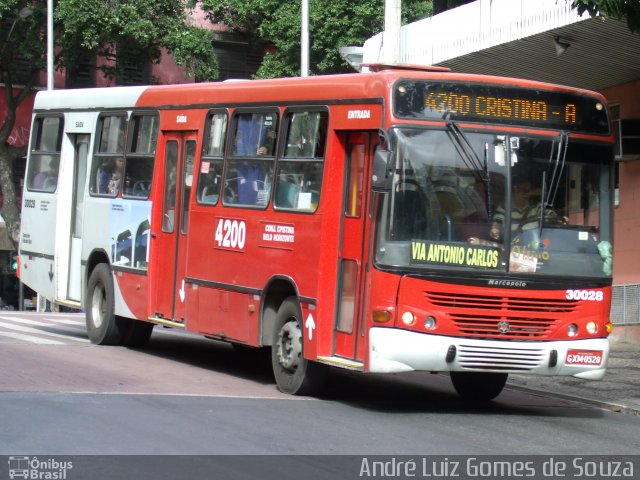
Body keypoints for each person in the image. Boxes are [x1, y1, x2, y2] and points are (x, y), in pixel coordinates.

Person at [469, 178, 566, 245]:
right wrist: (495, 230)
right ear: (515, 190)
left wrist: (558, 219)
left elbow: (549, 215)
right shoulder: (504, 208)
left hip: (535, 248)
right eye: (522, 189)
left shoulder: (536, 207)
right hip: (513, 249)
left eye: (528, 190)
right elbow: (497, 221)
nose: (525, 192)